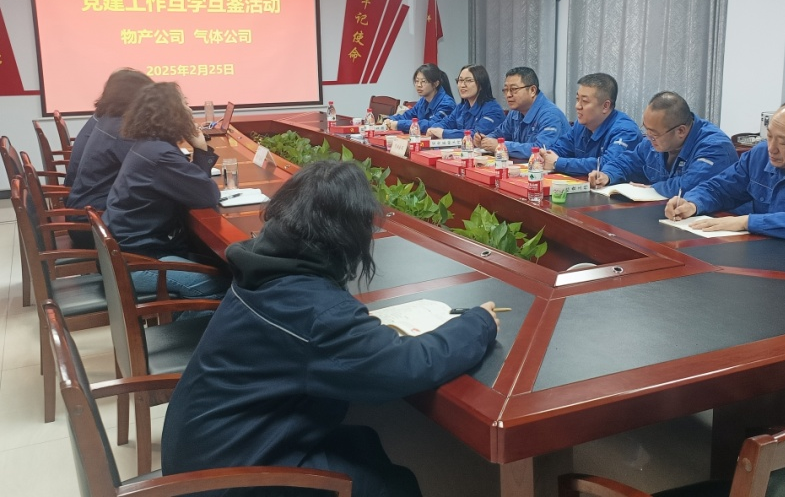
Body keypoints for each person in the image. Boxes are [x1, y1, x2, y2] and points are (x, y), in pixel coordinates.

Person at [161, 160, 499, 496]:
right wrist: (479, 324)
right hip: (229, 480)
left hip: (202, 453)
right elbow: (403, 367)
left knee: (364, 445)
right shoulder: (314, 310)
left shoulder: (261, 264)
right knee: (393, 485)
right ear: (349, 235)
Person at [666, 100, 785, 250]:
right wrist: (692, 203)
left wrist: (747, 222)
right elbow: (721, 188)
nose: (772, 148)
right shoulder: (760, 155)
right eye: (769, 136)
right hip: (777, 249)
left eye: (784, 143)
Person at [102, 81, 228, 300]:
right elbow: (207, 195)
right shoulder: (160, 155)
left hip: (130, 252)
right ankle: (181, 324)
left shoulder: (149, 145)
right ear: (171, 113)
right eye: (184, 104)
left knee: (219, 265)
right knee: (224, 284)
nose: (190, 110)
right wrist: (200, 148)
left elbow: (195, 189)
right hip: (140, 262)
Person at [64, 68, 154, 247]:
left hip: (87, 215)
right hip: (95, 225)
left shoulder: (107, 121)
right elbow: (153, 172)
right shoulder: (120, 130)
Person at [589, 91, 737, 197]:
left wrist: (652, 189)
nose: (648, 137)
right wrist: (607, 175)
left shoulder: (715, 147)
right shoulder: (653, 139)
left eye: (654, 133)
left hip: (712, 221)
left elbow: (689, 186)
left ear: (680, 131)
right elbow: (627, 161)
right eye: (646, 129)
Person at [64, 68, 153, 191]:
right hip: (97, 199)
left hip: (86, 192)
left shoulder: (106, 120)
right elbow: (146, 166)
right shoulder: (118, 129)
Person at [540, 73, 641, 176]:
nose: (577, 106)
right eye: (577, 99)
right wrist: (544, 157)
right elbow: (561, 148)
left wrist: (558, 163)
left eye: (584, 101)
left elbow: (609, 165)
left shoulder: (625, 131)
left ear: (605, 106)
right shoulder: (581, 125)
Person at [475, 66, 569, 159]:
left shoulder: (550, 115)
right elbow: (499, 133)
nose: (508, 95)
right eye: (506, 90)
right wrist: (484, 140)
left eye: (514, 89)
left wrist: (501, 146)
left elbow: (541, 150)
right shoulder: (515, 112)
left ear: (532, 90)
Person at [426, 64, 505, 140]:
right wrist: (433, 129)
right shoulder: (461, 107)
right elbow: (447, 123)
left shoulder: (493, 110)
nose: (462, 85)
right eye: (460, 80)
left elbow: (475, 135)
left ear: (481, 85)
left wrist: (443, 133)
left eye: (469, 80)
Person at [383, 63, 455, 133]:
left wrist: (399, 124)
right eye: (417, 81)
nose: (419, 85)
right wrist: (390, 119)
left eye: (423, 81)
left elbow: (432, 125)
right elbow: (408, 115)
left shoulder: (447, 104)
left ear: (436, 84)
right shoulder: (423, 101)